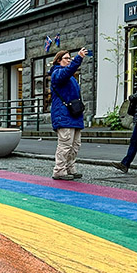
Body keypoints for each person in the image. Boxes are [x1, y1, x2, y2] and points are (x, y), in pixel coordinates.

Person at [49, 47, 89, 180]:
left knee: (75, 145)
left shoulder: (69, 76)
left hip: (73, 114)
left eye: (70, 58)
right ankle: (59, 170)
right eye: (66, 58)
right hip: (63, 114)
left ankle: (70, 168)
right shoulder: (57, 73)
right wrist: (78, 58)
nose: (69, 60)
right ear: (59, 60)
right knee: (65, 144)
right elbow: (67, 71)